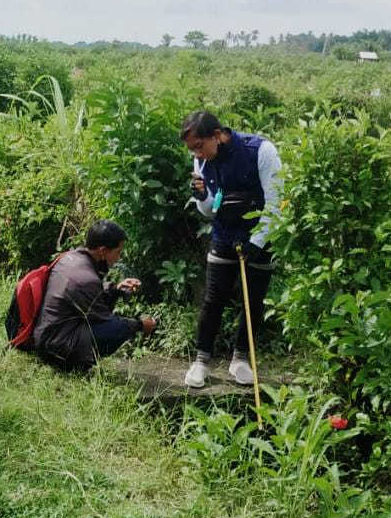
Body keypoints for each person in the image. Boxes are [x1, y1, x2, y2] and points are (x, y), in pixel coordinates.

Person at [180, 110, 282, 389]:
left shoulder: (261, 151)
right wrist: (201, 196)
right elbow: (211, 210)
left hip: (261, 237)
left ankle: (241, 359)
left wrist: (256, 243)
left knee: (252, 301)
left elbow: (276, 203)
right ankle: (201, 360)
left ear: (216, 135)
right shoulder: (202, 159)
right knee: (214, 299)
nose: (197, 155)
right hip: (224, 235)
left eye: (199, 147)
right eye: (192, 151)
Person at [31, 220, 157, 372]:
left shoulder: (72, 258)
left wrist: (117, 290)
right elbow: (105, 321)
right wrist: (140, 325)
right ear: (103, 251)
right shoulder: (86, 279)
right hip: (55, 347)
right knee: (120, 327)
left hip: (48, 336)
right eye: (118, 252)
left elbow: (91, 302)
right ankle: (73, 366)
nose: (118, 258)